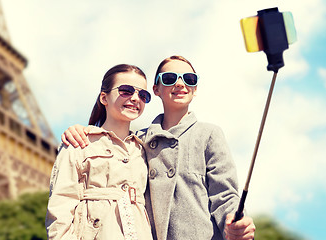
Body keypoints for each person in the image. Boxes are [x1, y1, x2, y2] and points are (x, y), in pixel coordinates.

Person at [61, 56, 256, 240]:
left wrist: (235, 222)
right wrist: (81, 131)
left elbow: (224, 194)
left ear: (195, 89)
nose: (180, 83)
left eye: (188, 79)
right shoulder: (137, 141)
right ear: (156, 90)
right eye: (170, 78)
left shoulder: (209, 134)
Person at [45, 64, 154, 240]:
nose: (135, 98)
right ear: (104, 97)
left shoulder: (146, 149)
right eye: (126, 90)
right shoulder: (78, 142)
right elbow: (61, 207)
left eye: (143, 95)